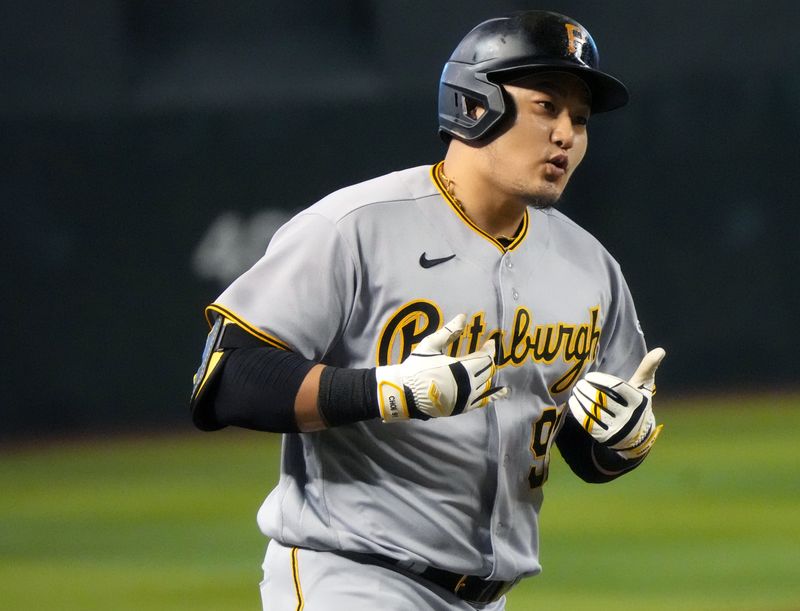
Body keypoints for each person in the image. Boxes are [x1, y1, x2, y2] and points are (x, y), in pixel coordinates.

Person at [190, 10, 666, 611]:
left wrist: (617, 441)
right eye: (546, 105)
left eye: (579, 118)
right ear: (474, 105)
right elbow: (226, 380)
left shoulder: (590, 267)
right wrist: (388, 391)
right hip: (354, 578)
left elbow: (583, 449)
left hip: (488, 597)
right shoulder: (354, 227)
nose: (566, 134)